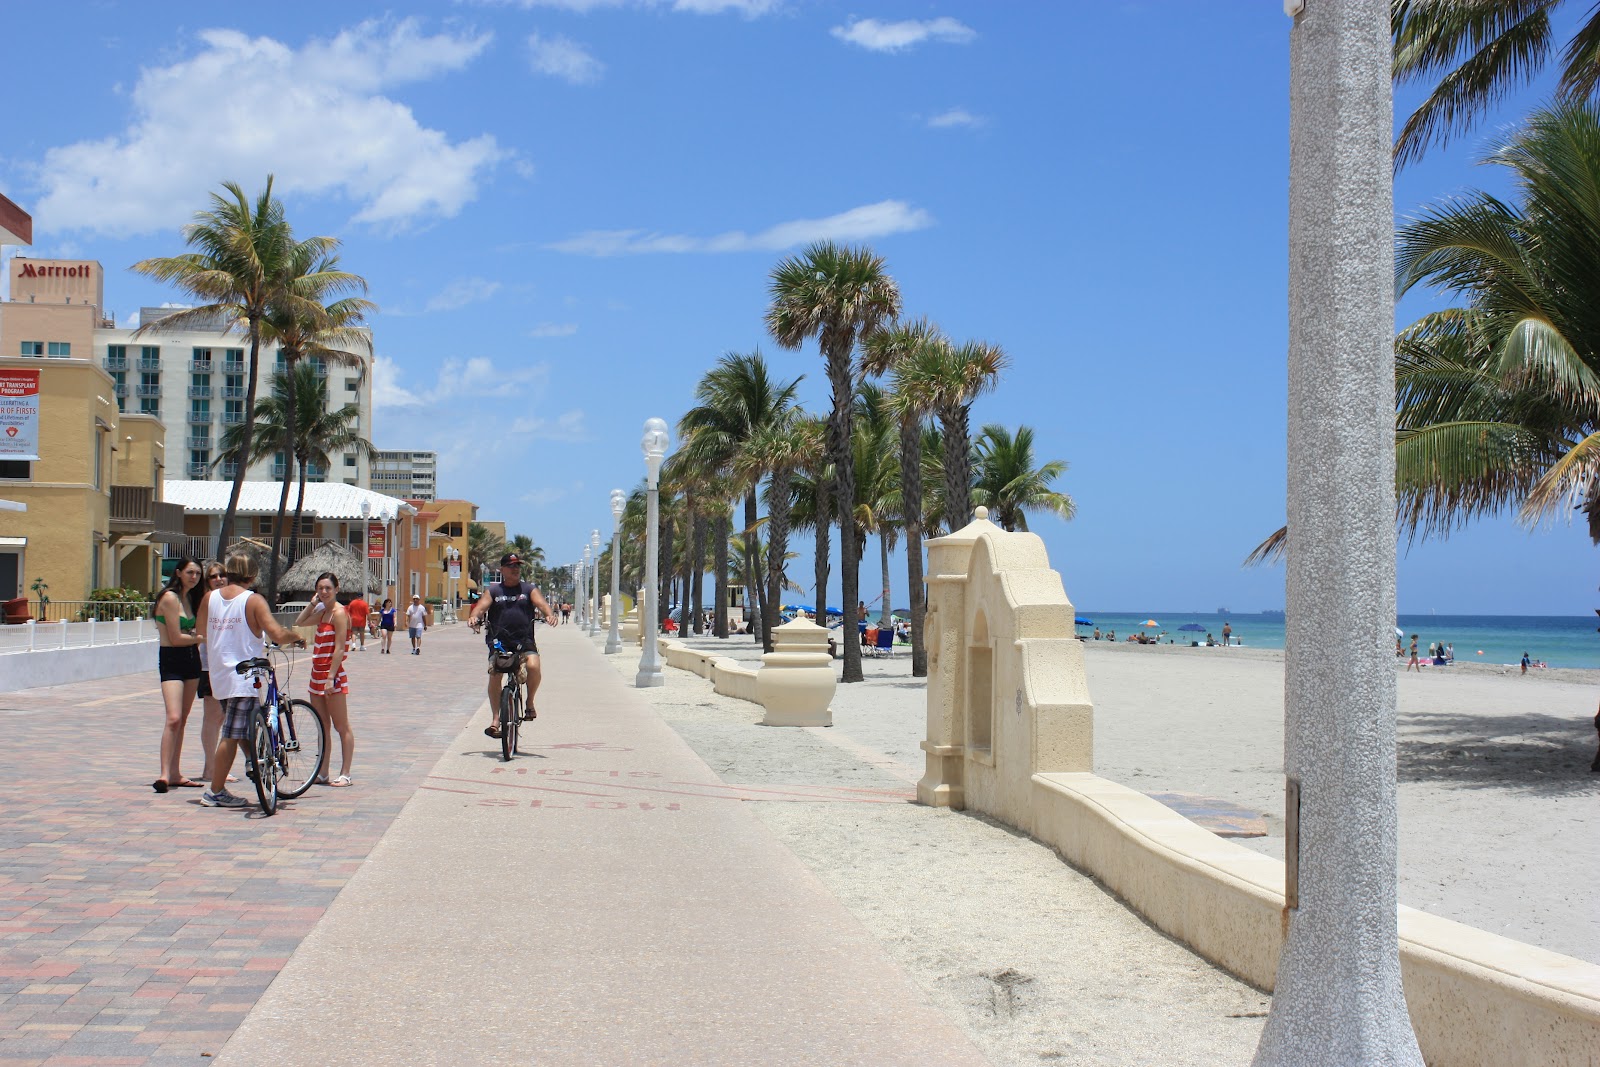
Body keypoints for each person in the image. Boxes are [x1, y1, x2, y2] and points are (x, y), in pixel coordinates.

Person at [195, 552, 306, 809]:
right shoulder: (253, 600)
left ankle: (252, 762)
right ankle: (215, 791)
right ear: (254, 575)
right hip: (244, 676)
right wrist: (296, 636)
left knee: (242, 726)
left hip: (219, 675)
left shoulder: (209, 598)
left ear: (227, 571)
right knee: (231, 735)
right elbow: (276, 633)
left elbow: (201, 632)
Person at [467, 552, 558, 739]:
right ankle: (495, 720)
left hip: (524, 640)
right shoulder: (493, 591)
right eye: (511, 566)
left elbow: (541, 604)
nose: (515, 569)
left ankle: (530, 703)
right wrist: (474, 617)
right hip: (499, 641)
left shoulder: (528, 589)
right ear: (502, 570)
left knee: (533, 667)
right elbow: (481, 607)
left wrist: (549, 614)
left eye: (517, 566)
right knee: (495, 674)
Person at [152, 558, 206, 792]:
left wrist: (194, 637)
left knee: (182, 719)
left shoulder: (191, 598)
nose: (194, 577)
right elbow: (175, 638)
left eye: (197, 573)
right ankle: (164, 774)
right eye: (189, 572)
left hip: (191, 659)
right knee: (173, 718)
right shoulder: (170, 598)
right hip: (172, 659)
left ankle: (175, 772)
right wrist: (199, 637)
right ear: (179, 573)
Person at [296, 573, 355, 787]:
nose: (324, 592)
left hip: (332, 675)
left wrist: (331, 677)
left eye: (328, 588)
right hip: (316, 675)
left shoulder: (339, 613)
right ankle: (322, 772)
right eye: (320, 588)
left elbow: (340, 648)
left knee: (341, 725)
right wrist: (313, 603)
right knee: (323, 726)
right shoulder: (323, 612)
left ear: (337, 589)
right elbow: (300, 621)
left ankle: (345, 773)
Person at [196, 562, 235, 785]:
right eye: (213, 576)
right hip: (210, 666)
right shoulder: (209, 601)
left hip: (226, 666)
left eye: (223, 575)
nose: (219, 579)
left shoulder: (229, 601)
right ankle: (210, 768)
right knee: (213, 717)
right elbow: (200, 633)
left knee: (222, 717)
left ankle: (212, 767)